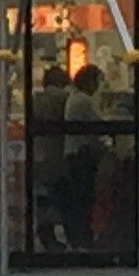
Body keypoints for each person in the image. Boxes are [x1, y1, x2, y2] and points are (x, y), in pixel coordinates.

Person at [62, 63, 105, 250]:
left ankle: (79, 238)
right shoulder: (84, 101)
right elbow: (98, 126)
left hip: (73, 153)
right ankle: (84, 238)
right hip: (82, 155)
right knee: (85, 197)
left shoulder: (74, 98)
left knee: (79, 197)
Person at [31, 65, 70, 251]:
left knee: (43, 196)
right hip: (57, 153)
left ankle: (45, 233)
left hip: (38, 152)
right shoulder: (62, 98)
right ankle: (61, 234)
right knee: (60, 195)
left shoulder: (36, 98)